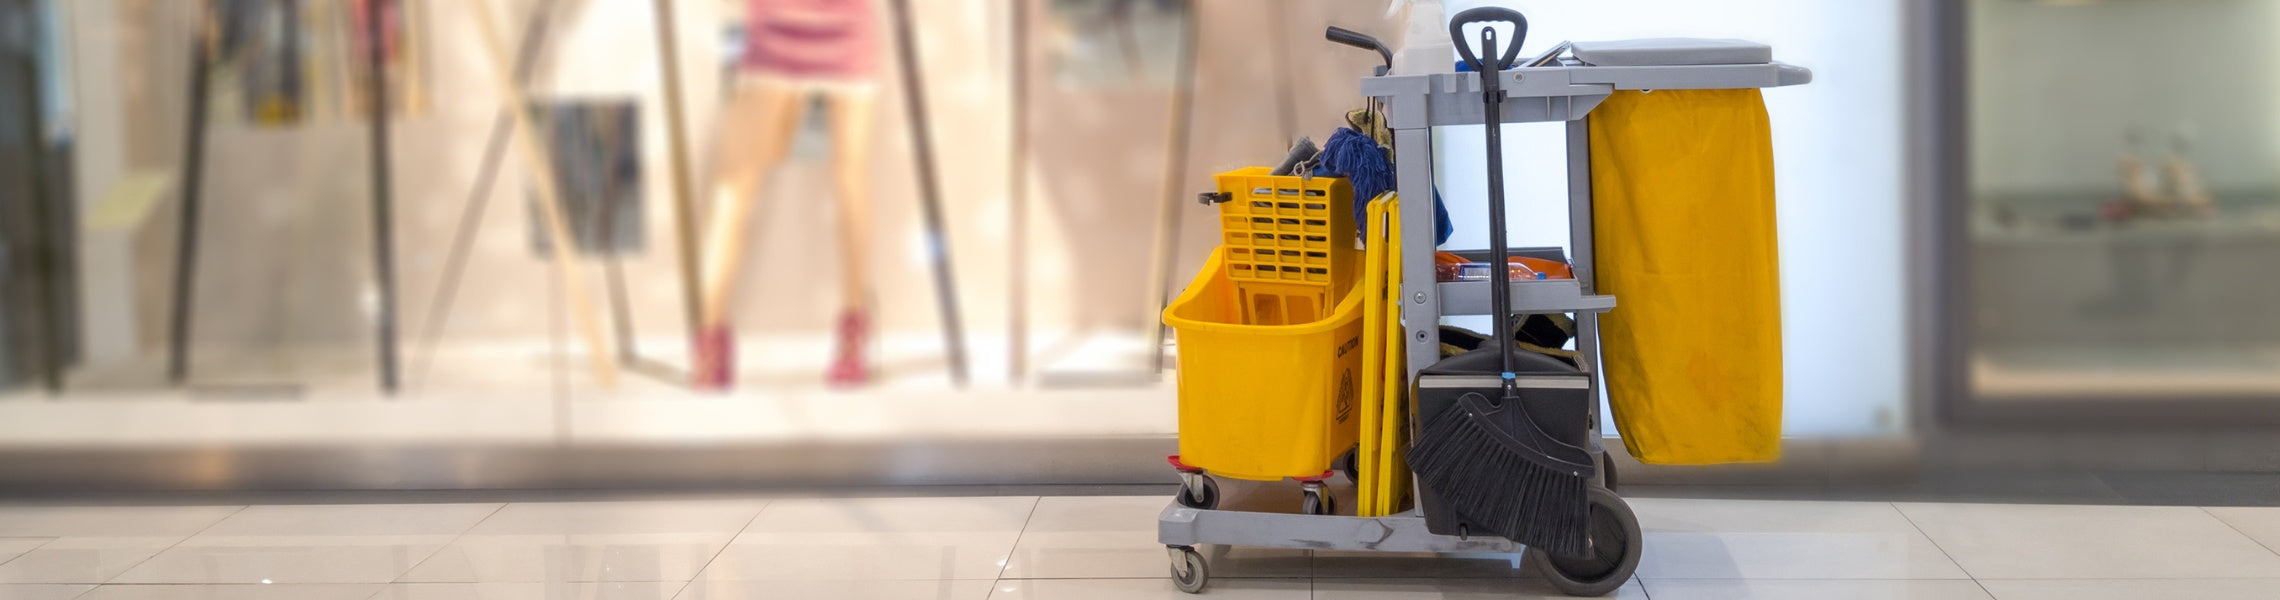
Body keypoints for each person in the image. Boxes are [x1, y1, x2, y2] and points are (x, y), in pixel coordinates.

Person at [695, 0, 881, 390]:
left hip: (846, 26)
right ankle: (710, 334)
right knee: (735, 183)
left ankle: (854, 327)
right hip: (772, 28)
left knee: (851, 177)